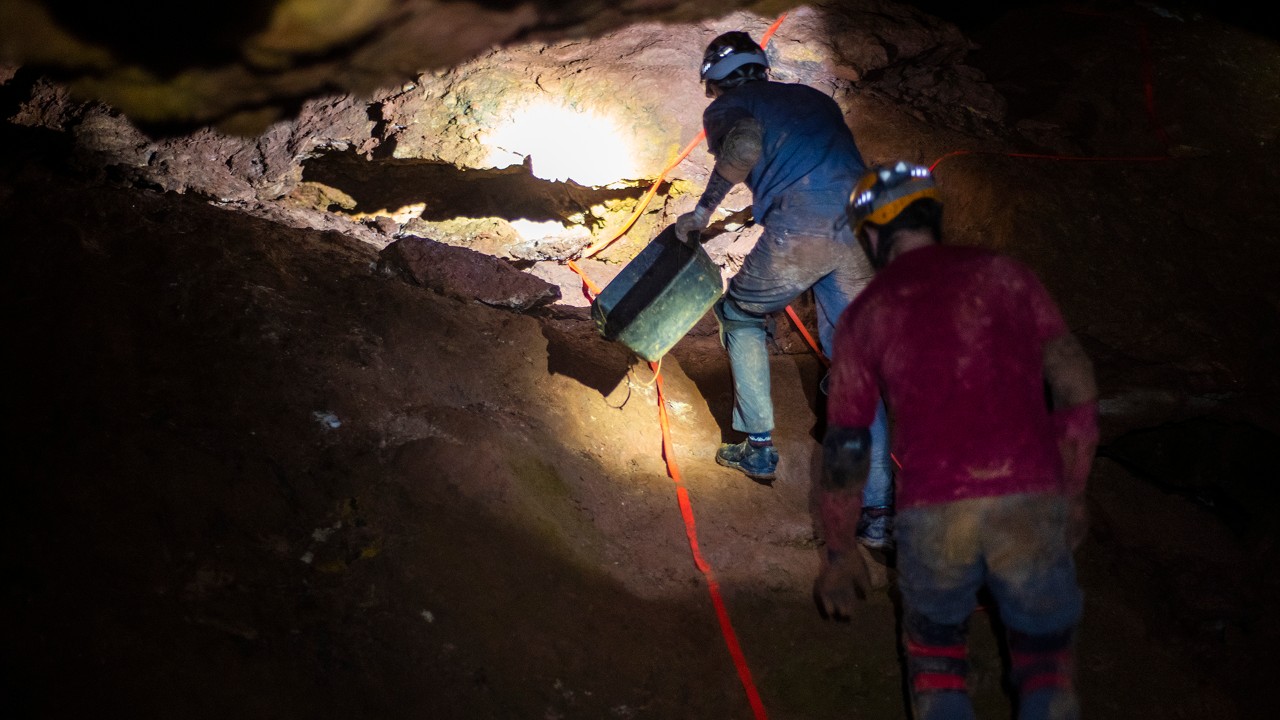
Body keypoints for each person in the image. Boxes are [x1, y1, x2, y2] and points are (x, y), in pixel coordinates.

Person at [813, 160, 1099, 720]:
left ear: (874, 236)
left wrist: (841, 551)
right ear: (932, 217)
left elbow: (848, 444)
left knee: (937, 665)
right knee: (1045, 665)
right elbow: (1074, 377)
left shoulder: (866, 314)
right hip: (1031, 496)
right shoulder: (1006, 275)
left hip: (935, 513)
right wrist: (1074, 488)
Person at [676, 30, 894, 545]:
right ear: (761, 66)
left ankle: (758, 446)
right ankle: (880, 512)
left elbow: (744, 143)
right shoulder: (814, 99)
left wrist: (702, 213)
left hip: (804, 226)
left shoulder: (728, 107)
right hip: (862, 225)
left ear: (714, 83)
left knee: (740, 314)